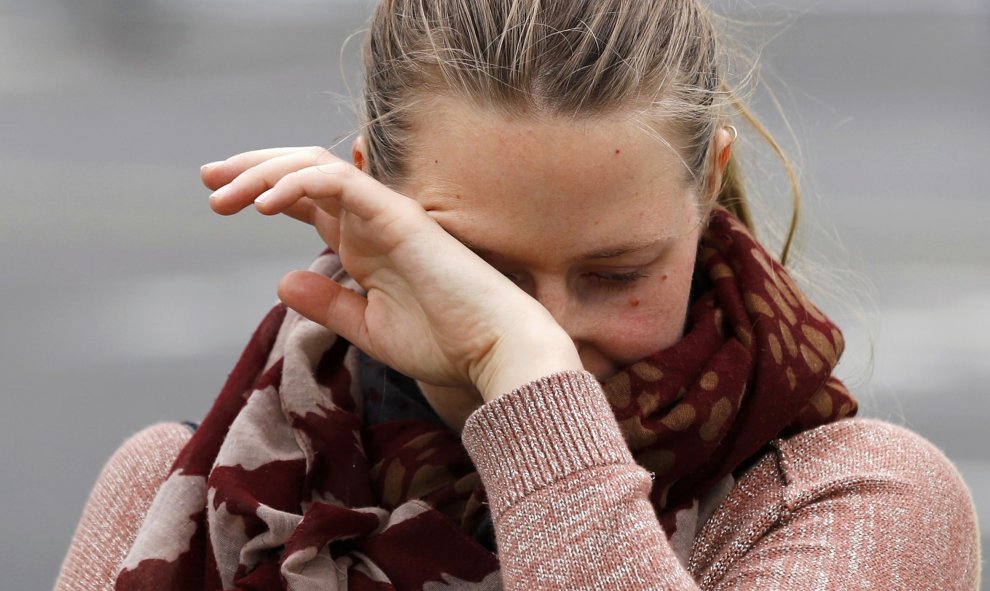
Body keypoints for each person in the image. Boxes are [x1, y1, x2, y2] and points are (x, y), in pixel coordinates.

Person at [56, 1, 981, 589]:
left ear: (707, 196)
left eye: (616, 274)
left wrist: (525, 381)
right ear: (372, 193)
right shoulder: (181, 499)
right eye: (486, 275)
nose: (550, 332)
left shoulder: (857, 502)